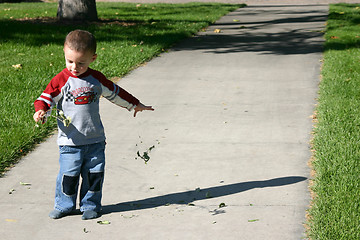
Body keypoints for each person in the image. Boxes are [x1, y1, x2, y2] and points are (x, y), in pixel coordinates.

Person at [33, 29, 154, 220]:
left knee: (94, 175)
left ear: (93, 58)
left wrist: (134, 105)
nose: (74, 67)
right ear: (64, 54)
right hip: (70, 143)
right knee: (68, 176)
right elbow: (46, 98)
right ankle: (64, 205)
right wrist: (41, 111)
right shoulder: (61, 80)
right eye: (70, 61)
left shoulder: (96, 79)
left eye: (81, 63)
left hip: (95, 140)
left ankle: (90, 205)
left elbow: (116, 92)